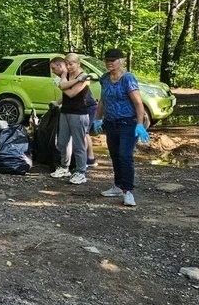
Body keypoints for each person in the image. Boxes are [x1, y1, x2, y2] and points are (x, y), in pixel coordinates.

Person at [93, 48, 150, 207]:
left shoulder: (128, 79)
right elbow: (102, 100)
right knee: (115, 155)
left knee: (125, 156)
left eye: (113, 60)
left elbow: (138, 102)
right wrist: (97, 119)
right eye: (107, 60)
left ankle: (128, 191)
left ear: (121, 61)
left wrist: (140, 123)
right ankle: (118, 186)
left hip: (128, 123)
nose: (109, 63)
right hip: (111, 123)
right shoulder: (104, 78)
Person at [50, 53, 95, 183]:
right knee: (62, 142)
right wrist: (71, 80)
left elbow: (71, 93)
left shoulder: (84, 77)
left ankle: (81, 171)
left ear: (78, 64)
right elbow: (63, 86)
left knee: (78, 144)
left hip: (79, 113)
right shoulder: (67, 75)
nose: (69, 67)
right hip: (65, 111)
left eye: (71, 64)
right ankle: (64, 167)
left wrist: (64, 83)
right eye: (67, 64)